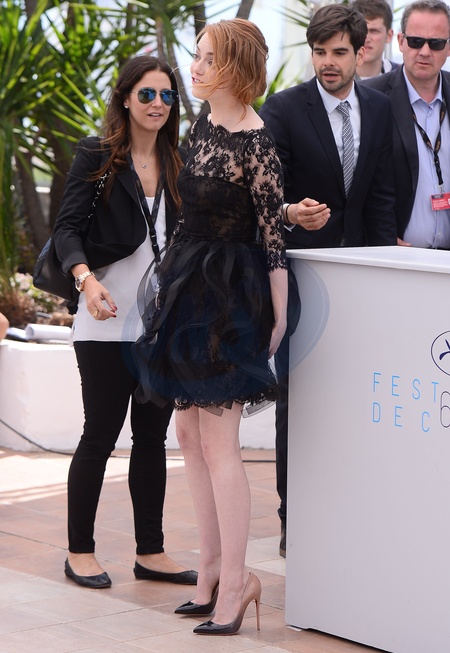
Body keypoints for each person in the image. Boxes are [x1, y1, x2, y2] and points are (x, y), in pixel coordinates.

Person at [132, 18, 288, 636]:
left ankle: (238, 583)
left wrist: (278, 315)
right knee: (189, 435)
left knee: (220, 445)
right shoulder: (200, 125)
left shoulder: (257, 141)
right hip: (186, 291)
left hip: (230, 301)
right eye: (195, 56)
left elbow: (272, 237)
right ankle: (212, 571)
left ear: (235, 68)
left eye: (206, 59)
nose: (192, 68)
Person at [52, 55, 197, 589]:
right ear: (126, 99)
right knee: (100, 434)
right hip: (104, 320)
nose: (158, 104)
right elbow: (66, 230)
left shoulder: (178, 161)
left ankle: (150, 551)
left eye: (167, 96)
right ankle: (80, 551)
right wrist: (86, 282)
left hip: (158, 326)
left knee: (152, 439)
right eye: (147, 94)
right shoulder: (98, 155)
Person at [259, 3, 397, 558]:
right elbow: (266, 196)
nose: (328, 62)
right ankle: (292, 516)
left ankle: (352, 508)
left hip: (359, 277)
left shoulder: (381, 108)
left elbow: (381, 197)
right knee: (298, 398)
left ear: (362, 51)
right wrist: (293, 213)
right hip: (299, 276)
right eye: (319, 52)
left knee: (358, 397)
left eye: (339, 52)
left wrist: (383, 273)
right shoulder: (283, 108)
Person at [362, 0, 450, 248]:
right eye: (415, 41)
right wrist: (382, 238)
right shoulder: (370, 97)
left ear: (448, 47)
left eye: (436, 43)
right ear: (400, 42)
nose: (425, 51)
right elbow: (357, 183)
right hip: (397, 256)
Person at [352, 0, 399, 79]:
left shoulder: (404, 77)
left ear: (389, 36)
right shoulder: (335, 77)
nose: (366, 39)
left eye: (374, 31)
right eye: (361, 31)